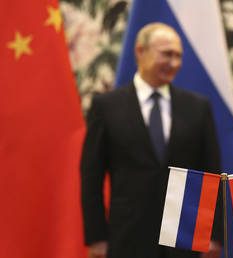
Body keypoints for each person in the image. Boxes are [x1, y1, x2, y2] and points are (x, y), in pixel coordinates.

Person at [81, 23, 222, 258]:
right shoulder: (107, 107)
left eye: (178, 56)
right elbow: (91, 178)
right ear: (140, 51)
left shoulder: (197, 107)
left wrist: (212, 234)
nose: (174, 63)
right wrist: (96, 237)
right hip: (128, 238)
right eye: (167, 54)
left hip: (185, 239)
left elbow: (211, 174)